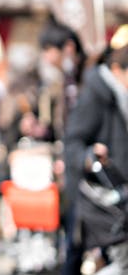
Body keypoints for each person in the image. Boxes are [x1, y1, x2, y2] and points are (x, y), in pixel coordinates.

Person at [64, 27, 128, 275]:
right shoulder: (96, 94)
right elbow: (73, 143)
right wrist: (89, 156)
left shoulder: (118, 95)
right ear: (116, 70)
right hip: (101, 199)